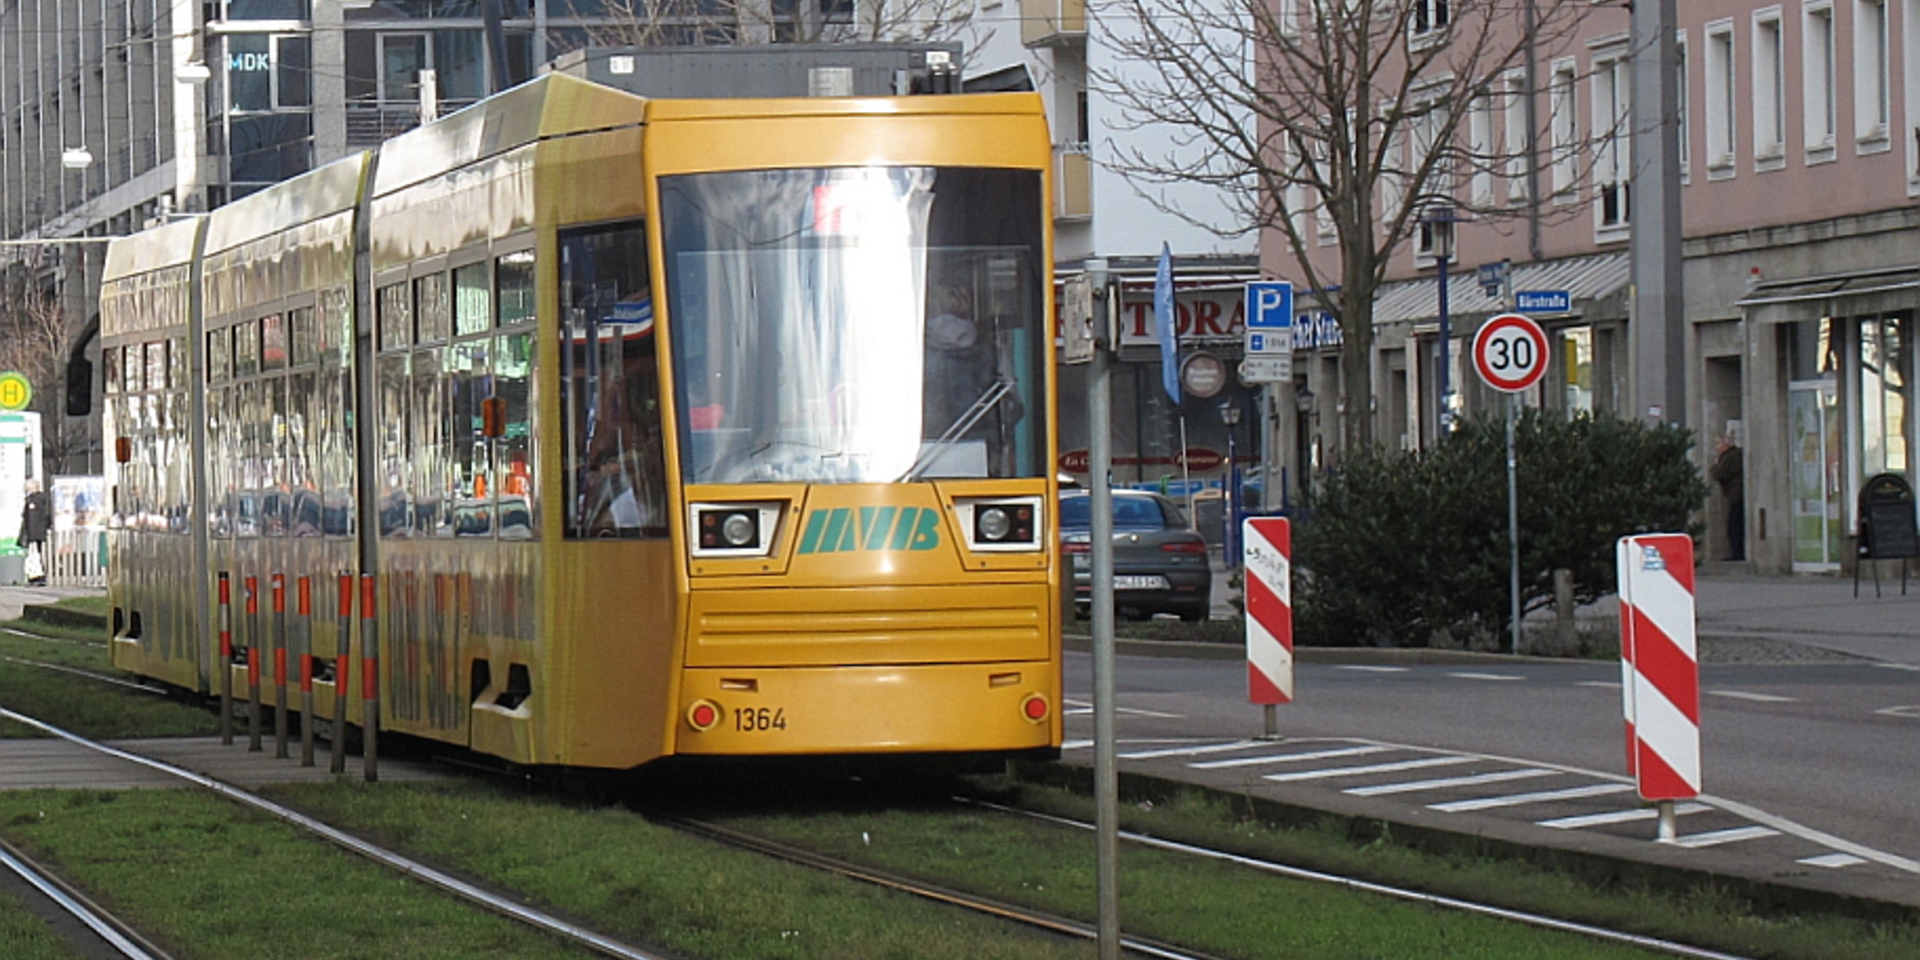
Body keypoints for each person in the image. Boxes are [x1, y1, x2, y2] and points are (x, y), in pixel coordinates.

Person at [1711, 432, 1745, 561]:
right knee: (1734, 525)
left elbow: (1719, 473)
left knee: (1734, 525)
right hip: (1735, 494)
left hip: (1736, 495)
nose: (1717, 448)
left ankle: (1737, 553)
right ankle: (1736, 552)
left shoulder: (1730, 457)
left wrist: (1715, 466)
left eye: (1718, 444)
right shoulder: (1733, 455)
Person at [17, 479, 50, 586]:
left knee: (33, 555)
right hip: (39, 533)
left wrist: (29, 537)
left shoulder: (33, 501)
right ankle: (36, 575)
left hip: (33, 534)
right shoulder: (42, 500)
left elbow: (32, 519)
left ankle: (36, 576)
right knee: (36, 555)